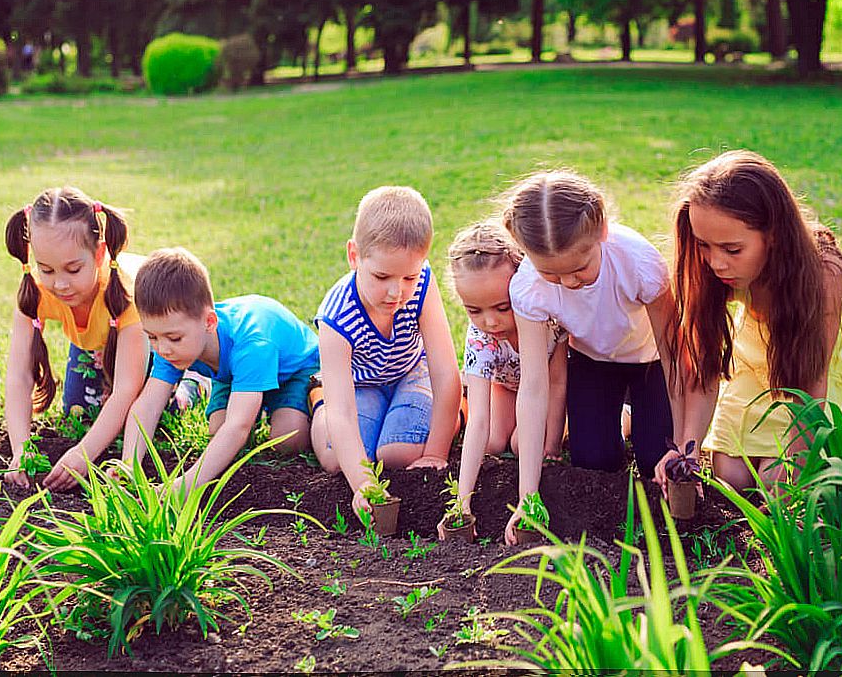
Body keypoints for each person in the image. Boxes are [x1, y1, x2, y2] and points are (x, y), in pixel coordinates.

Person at [653, 149, 842, 494]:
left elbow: (810, 385)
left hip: (801, 382)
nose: (716, 263)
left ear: (775, 234)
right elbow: (702, 371)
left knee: (774, 482)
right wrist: (685, 451)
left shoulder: (823, 274)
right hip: (751, 378)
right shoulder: (710, 270)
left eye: (732, 250)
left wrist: (796, 474)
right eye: (703, 245)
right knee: (731, 479)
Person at [500, 169, 679, 545]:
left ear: (602, 231)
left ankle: (637, 419)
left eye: (579, 268)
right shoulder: (529, 288)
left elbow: (674, 354)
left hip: (649, 363)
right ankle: (620, 421)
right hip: (592, 363)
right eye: (551, 272)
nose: (567, 282)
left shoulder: (639, 264)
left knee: (655, 460)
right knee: (593, 460)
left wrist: (680, 445)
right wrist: (527, 493)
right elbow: (533, 387)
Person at [310, 186, 462, 518]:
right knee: (340, 460)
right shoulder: (336, 318)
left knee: (397, 453)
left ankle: (456, 413)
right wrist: (363, 482)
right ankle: (317, 399)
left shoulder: (422, 284)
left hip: (411, 372)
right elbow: (343, 414)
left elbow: (445, 371)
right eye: (381, 276)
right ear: (354, 256)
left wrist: (437, 452)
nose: (397, 292)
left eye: (409, 276)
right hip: (360, 386)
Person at [121, 247, 321, 493]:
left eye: (173, 338)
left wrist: (184, 487)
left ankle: (271, 403)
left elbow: (238, 427)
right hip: (232, 373)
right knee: (218, 431)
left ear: (209, 322)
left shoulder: (252, 343)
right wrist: (129, 466)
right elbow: (148, 404)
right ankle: (237, 394)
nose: (162, 349)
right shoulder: (170, 341)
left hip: (294, 370)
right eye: (151, 336)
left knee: (289, 438)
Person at [3, 187, 149, 491]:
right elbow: (18, 376)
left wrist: (84, 454)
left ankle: (193, 380)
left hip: (154, 342)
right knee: (79, 413)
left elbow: (126, 388)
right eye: (47, 269)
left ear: (99, 254)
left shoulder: (129, 293)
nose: (60, 283)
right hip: (97, 346)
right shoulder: (37, 291)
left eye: (73, 269)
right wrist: (21, 449)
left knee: (151, 415)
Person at [442, 220, 568, 539]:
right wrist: (462, 502)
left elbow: (556, 385)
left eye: (502, 307)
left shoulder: (544, 321)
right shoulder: (481, 338)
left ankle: (623, 416)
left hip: (552, 392)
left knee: (521, 443)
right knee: (494, 443)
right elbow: (479, 419)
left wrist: (551, 445)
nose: (490, 321)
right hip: (507, 386)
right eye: (474, 310)